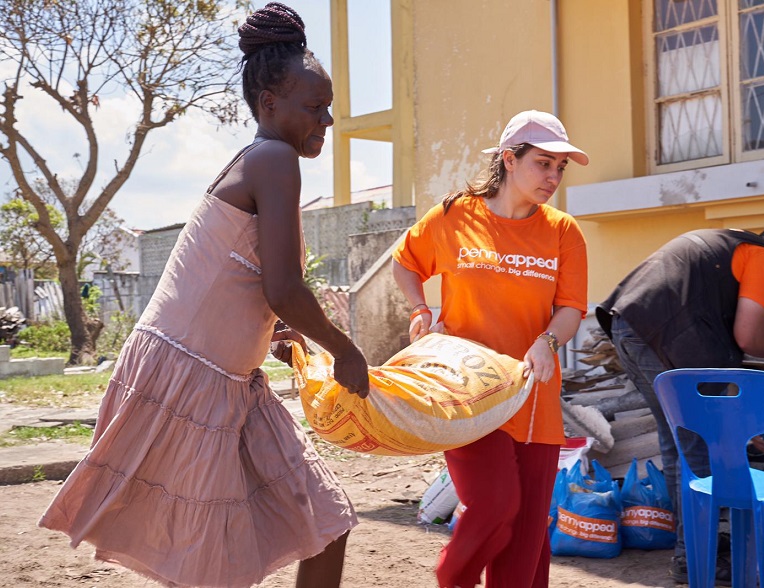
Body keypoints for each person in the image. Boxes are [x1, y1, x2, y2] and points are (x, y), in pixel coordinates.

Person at [38, 4, 369, 588]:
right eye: (314, 107)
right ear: (270, 104)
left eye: (329, 107)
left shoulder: (263, 160)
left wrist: (271, 331)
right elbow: (284, 288)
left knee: (325, 521)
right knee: (208, 563)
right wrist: (345, 349)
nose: (328, 119)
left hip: (229, 381)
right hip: (189, 377)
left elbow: (245, 282)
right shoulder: (274, 159)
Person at [393, 110, 590, 588]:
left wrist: (548, 342)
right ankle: (453, 578)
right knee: (496, 505)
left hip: (534, 398)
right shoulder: (456, 214)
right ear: (509, 158)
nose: (553, 177)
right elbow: (406, 262)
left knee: (526, 540)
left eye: (560, 168)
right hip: (467, 395)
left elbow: (570, 308)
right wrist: (420, 308)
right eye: (544, 163)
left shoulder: (564, 232)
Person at [595, 222, 764, 586]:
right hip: (661, 333)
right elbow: (749, 336)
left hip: (630, 325)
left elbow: (716, 346)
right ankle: (698, 560)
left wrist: (738, 422)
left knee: (680, 445)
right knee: (696, 449)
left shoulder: (727, 247)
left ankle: (697, 549)